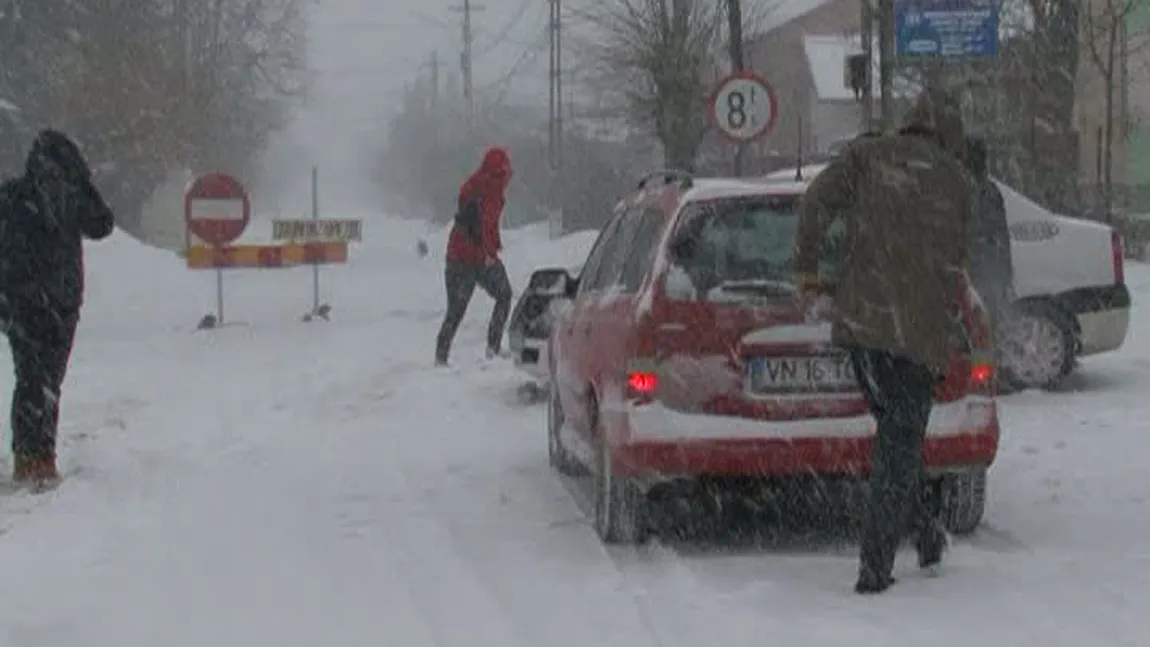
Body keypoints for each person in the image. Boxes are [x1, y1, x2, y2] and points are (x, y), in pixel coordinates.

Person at [793, 90, 973, 594]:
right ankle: (875, 567)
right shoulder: (959, 183)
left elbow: (815, 203)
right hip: (917, 336)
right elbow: (958, 262)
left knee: (898, 436)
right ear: (946, 136)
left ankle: (928, 534)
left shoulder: (867, 157)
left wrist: (808, 269)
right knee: (899, 443)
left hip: (864, 327)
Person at [0, 129, 115, 488]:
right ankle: (39, 457)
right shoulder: (73, 197)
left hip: (19, 303)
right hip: (60, 303)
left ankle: (29, 457)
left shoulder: (13, 195)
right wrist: (83, 183)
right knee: (48, 381)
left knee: (30, 378)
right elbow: (103, 225)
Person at [434, 147, 514, 366]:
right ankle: (444, 357)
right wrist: (487, 253)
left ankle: (490, 348)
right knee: (459, 308)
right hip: (463, 260)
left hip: (473, 258)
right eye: (505, 172)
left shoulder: (492, 192)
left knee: (502, 295)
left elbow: (489, 227)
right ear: (498, 171)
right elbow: (475, 229)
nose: (508, 178)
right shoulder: (478, 192)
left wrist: (493, 248)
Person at [964, 135, 1014, 329]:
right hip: (989, 275)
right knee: (983, 338)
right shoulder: (990, 190)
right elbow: (1001, 235)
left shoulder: (968, 189)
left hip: (976, 275)